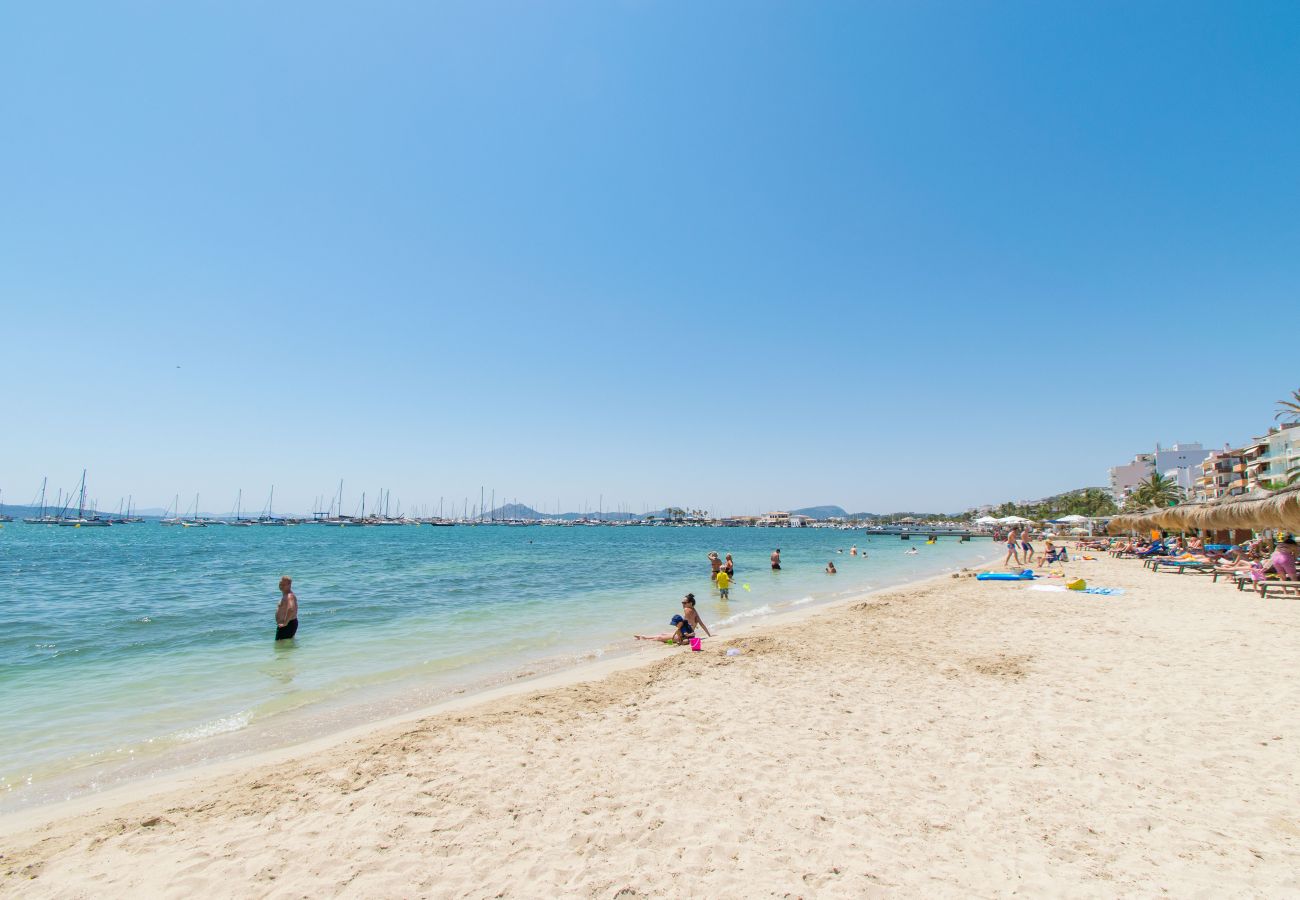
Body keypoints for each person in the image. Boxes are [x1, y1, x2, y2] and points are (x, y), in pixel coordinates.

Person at [274, 576, 298, 641]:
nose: (281, 586)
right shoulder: (286, 595)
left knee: (280, 648)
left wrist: (285, 623)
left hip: (287, 625)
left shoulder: (289, 596)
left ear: (289, 585)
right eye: (280, 584)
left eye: (284, 584)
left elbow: (291, 609)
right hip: (287, 624)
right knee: (286, 647)